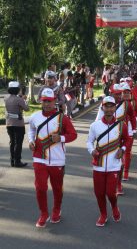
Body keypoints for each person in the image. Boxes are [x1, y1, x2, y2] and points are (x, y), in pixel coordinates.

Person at [28, 88, 77, 228]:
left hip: (57, 160)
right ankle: (43, 213)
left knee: (57, 188)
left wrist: (60, 138)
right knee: (40, 187)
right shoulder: (35, 116)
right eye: (44, 101)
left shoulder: (63, 118)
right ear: (41, 101)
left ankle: (56, 210)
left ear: (55, 101)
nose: (47, 104)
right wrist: (30, 141)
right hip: (39, 158)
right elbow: (31, 129)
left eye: (49, 101)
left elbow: (73, 135)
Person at [87, 96, 130, 226]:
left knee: (111, 192)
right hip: (98, 164)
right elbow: (89, 141)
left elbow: (127, 140)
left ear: (115, 108)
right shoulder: (95, 126)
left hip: (114, 165)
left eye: (112, 106)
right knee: (99, 193)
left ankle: (114, 206)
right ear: (103, 108)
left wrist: (122, 149)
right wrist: (92, 151)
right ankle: (103, 214)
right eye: (107, 106)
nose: (109, 109)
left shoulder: (122, 125)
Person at [4, 81, 30, 167]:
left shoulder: (6, 98)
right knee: (18, 143)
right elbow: (27, 109)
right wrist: (25, 100)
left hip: (9, 123)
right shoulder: (19, 99)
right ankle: (17, 161)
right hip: (18, 124)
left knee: (12, 142)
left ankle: (12, 161)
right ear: (17, 89)